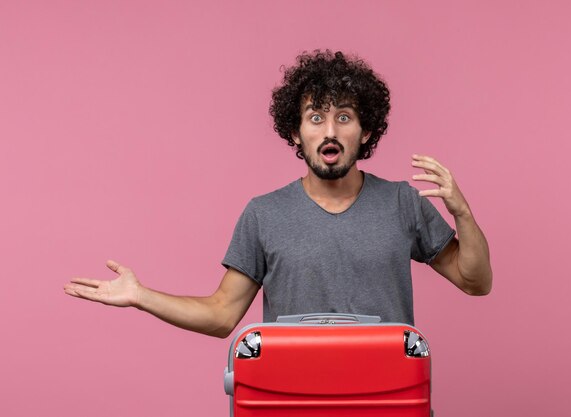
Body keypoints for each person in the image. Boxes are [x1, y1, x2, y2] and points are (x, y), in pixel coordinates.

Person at [64, 50, 492, 337]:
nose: (329, 130)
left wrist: (463, 216)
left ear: (366, 133)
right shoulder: (263, 214)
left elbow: (476, 282)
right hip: (290, 394)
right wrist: (141, 297)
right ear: (296, 131)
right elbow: (221, 315)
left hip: (385, 394)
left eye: (344, 117)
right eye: (316, 116)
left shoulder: (403, 203)